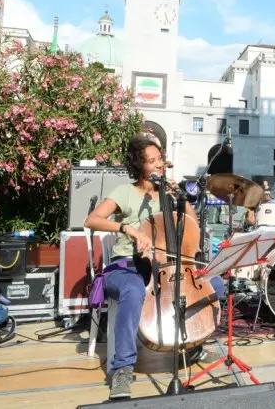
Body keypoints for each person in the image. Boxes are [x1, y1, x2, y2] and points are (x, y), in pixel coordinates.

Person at [84, 135, 223, 400]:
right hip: (127, 266)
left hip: (166, 267)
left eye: (160, 159)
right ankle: (122, 368)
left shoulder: (168, 195)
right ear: (139, 166)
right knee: (134, 290)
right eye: (151, 161)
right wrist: (127, 228)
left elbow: (192, 226)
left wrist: (180, 199)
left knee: (215, 285)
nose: (159, 165)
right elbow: (92, 220)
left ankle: (193, 344)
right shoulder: (124, 192)